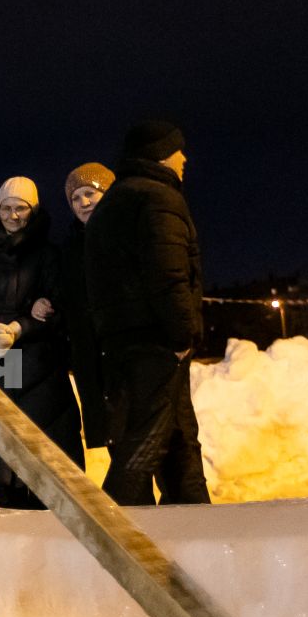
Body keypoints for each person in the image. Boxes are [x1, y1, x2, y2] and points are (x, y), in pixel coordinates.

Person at [85, 121, 211, 506]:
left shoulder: (115, 202)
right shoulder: (158, 198)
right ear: (160, 153)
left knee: (179, 441)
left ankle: (196, 525)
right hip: (156, 340)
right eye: (178, 149)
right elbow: (169, 274)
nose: (185, 157)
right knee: (145, 443)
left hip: (123, 340)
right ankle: (106, 528)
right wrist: (180, 337)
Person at [0, 177, 84, 508]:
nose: (13, 215)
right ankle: (8, 523)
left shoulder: (48, 255)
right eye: (6, 208)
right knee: (0, 456)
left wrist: (19, 327)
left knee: (44, 457)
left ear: (33, 210)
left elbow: (56, 305)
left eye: (20, 209)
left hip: (39, 366)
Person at [55, 163, 116, 451]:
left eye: (90, 193)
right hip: (92, 358)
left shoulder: (126, 233)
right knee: (118, 443)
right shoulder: (70, 247)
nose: (84, 202)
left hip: (126, 354)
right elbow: (68, 297)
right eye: (75, 198)